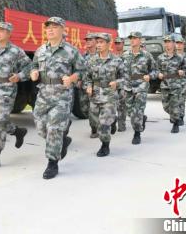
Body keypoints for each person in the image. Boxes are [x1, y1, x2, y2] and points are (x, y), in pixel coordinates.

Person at [30, 17, 85, 179]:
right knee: (40, 126)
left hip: (62, 95)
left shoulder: (71, 51)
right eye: (48, 27)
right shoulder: (40, 50)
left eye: (54, 27)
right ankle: (61, 140)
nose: (50, 30)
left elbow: (83, 70)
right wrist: (33, 73)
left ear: (63, 30)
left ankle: (52, 163)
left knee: (54, 129)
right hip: (43, 93)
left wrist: (72, 78)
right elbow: (34, 65)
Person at [0, 22, 32, 171]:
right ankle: (17, 131)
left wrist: (20, 76)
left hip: (7, 90)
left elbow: (31, 66)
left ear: (9, 34)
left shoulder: (16, 51)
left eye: (2, 30)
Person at [84, 33, 124, 156]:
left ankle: (105, 145)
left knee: (103, 123)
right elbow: (87, 78)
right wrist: (88, 86)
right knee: (95, 122)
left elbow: (125, 78)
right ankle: (113, 120)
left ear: (108, 44)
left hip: (110, 95)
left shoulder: (117, 60)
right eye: (98, 42)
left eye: (102, 42)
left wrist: (117, 83)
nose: (99, 45)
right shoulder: (91, 60)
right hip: (95, 95)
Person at [122, 31, 157, 145]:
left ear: (140, 40)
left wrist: (149, 76)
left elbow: (155, 71)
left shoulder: (147, 55)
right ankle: (142, 119)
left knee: (137, 112)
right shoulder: (125, 55)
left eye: (135, 38)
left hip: (141, 86)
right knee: (130, 113)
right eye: (131, 38)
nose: (132, 40)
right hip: (128, 87)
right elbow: (119, 71)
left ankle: (137, 133)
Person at [156, 35, 186, 133]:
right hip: (165, 85)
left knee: (175, 105)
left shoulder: (180, 57)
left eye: (169, 41)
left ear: (174, 43)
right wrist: (158, 74)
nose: (167, 44)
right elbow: (155, 69)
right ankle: (175, 116)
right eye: (165, 42)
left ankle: (175, 124)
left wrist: (183, 72)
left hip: (176, 85)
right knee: (166, 106)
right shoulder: (160, 57)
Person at [80, 33, 99, 138]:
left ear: (96, 41)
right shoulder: (83, 56)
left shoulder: (100, 55)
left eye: (90, 40)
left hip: (96, 87)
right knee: (86, 108)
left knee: (94, 108)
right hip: (84, 87)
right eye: (86, 40)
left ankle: (94, 129)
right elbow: (80, 70)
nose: (87, 41)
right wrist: (78, 80)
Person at [175, 35, 186, 126]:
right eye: (177, 43)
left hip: (183, 82)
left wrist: (184, 73)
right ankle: (174, 116)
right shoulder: (171, 56)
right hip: (172, 83)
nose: (178, 45)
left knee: (181, 100)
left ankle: (181, 117)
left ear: (184, 45)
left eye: (180, 43)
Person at [112, 37, 128, 131]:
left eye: (119, 43)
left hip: (123, 83)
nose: (118, 45)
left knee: (122, 105)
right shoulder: (112, 56)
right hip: (113, 83)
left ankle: (122, 124)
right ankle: (113, 121)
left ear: (123, 43)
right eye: (116, 43)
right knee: (112, 104)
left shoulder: (127, 55)